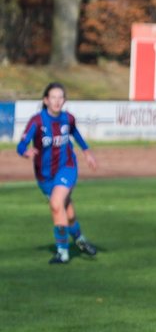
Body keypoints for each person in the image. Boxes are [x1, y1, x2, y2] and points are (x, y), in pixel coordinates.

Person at [16, 82, 99, 265]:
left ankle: (63, 253)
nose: (57, 101)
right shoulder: (37, 121)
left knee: (55, 204)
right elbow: (21, 145)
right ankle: (79, 239)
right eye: (53, 97)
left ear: (64, 100)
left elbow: (75, 133)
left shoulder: (68, 118)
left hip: (67, 167)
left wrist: (86, 151)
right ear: (46, 100)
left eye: (60, 97)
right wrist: (25, 152)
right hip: (44, 175)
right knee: (66, 211)